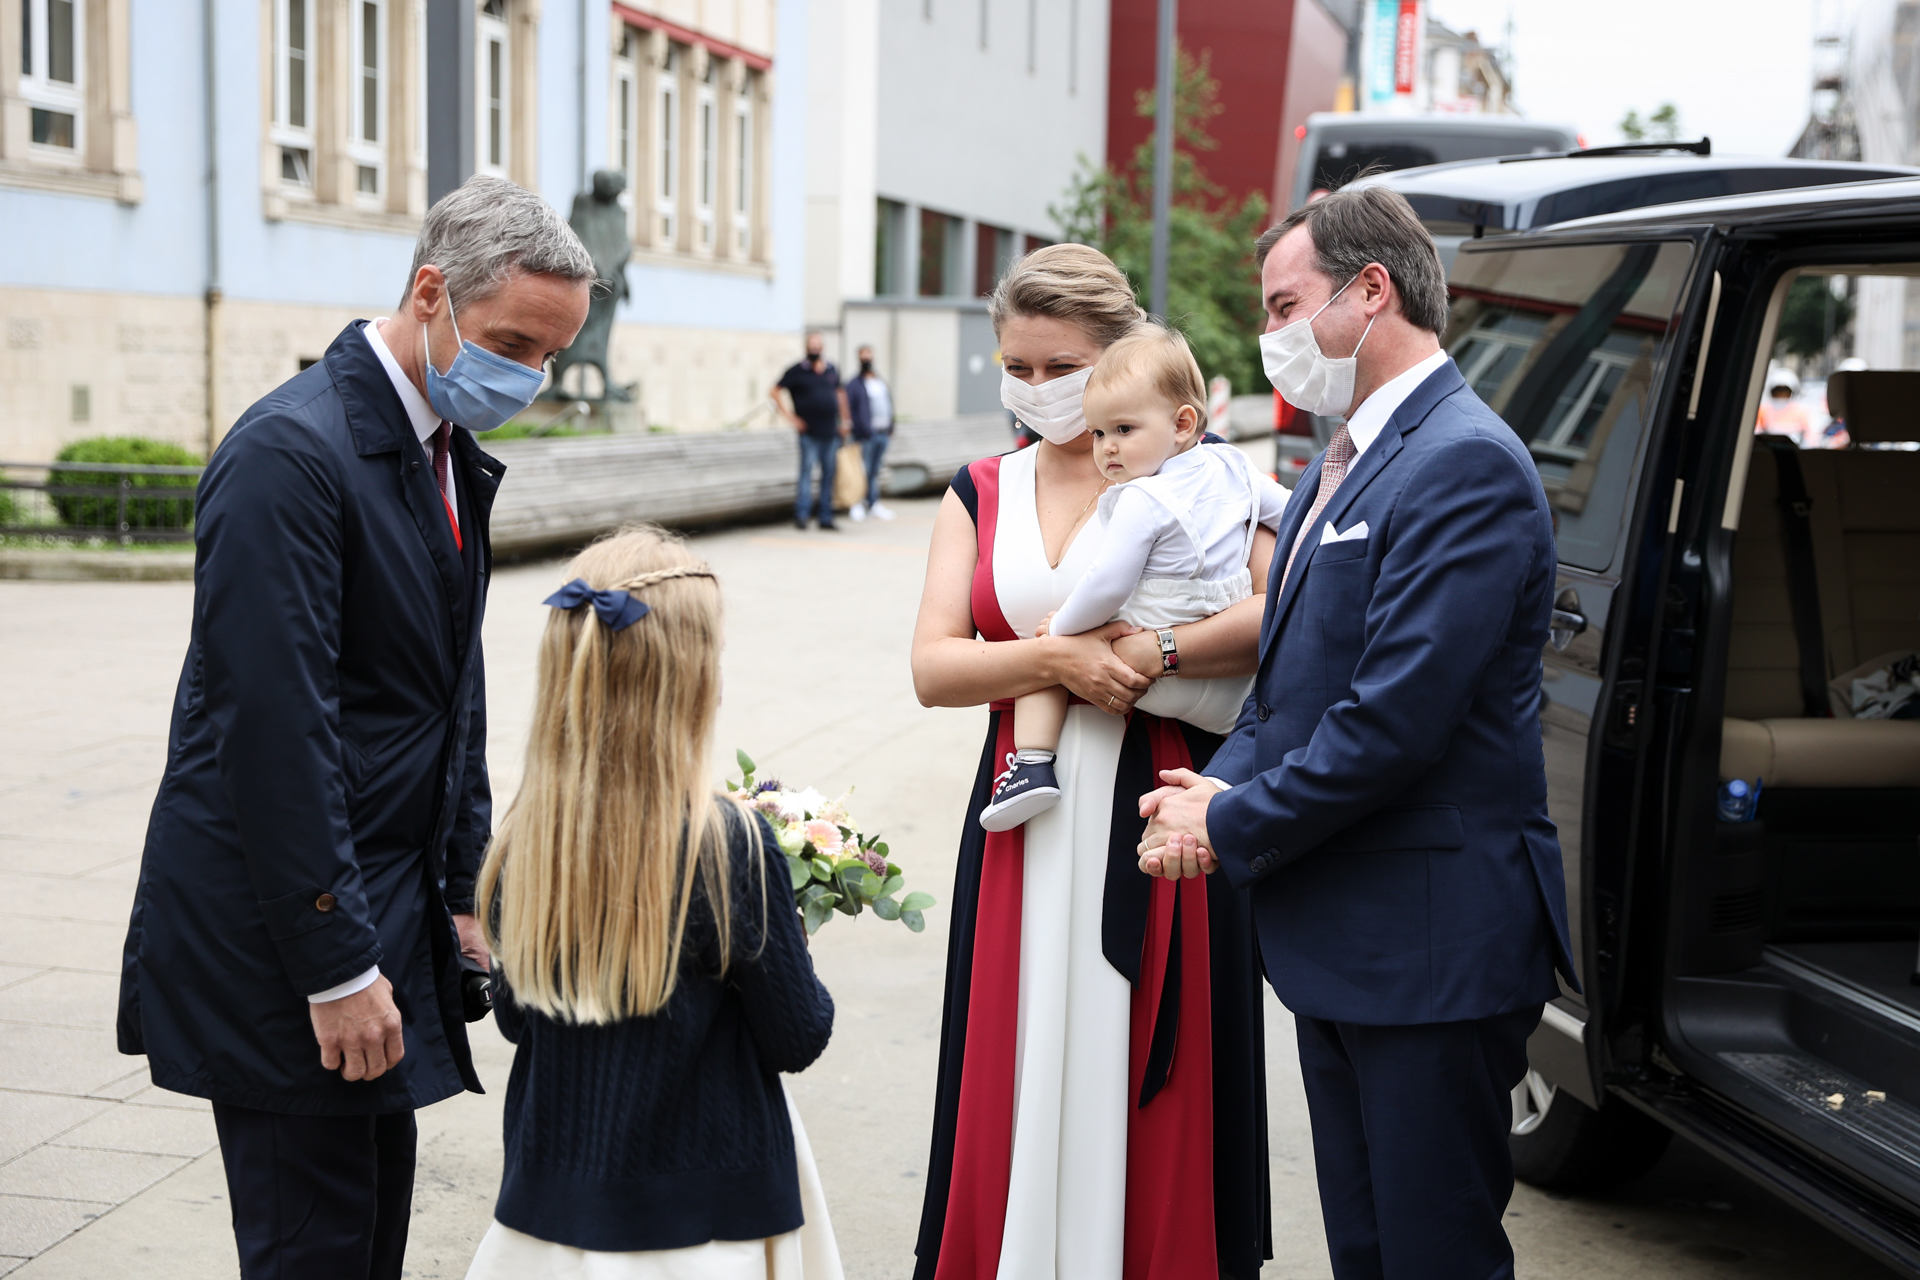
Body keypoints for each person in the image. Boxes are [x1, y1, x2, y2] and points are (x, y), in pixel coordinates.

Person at [115, 175, 595, 1279]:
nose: (530, 375)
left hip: (378, 902)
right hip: (287, 935)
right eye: (514, 341)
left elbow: (444, 696)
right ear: (431, 291)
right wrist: (336, 965)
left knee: (365, 1229)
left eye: (552, 355)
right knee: (314, 1246)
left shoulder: (432, 447)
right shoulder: (291, 454)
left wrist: (464, 890)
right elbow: (272, 729)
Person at [1138, 185, 1577, 1279]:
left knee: (1433, 1254)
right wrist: (1207, 788)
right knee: (1369, 1250)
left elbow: (1395, 719)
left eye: (1286, 305)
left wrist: (1234, 814)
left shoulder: (1464, 462)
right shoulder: (1345, 461)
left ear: (1371, 290)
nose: (1272, 334)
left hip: (1431, 944)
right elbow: (1296, 689)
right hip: (1349, 938)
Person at [909, 243, 1275, 1280]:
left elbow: (1281, 606)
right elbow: (935, 666)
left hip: (1164, 801)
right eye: (1015, 367)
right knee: (1016, 1050)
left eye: (1058, 364)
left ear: (1119, 355)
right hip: (1025, 810)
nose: (1036, 389)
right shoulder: (981, 488)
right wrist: (1056, 656)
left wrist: (1157, 649)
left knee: (1159, 1062)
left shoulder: (1200, 470)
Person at [464, 526, 839, 1279]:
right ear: (692, 677)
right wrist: (782, 933)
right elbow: (797, 1035)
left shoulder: (525, 843)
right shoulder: (728, 844)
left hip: (552, 1206)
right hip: (706, 1207)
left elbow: (515, 1017)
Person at [980, 324, 1288, 832]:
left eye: (1123, 430)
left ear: (1183, 423)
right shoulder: (1235, 465)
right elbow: (1294, 516)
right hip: (1229, 686)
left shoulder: (1143, 499)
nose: (1107, 449)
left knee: (1051, 654)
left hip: (1151, 663)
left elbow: (1107, 584)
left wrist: (1059, 634)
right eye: (1099, 433)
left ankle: (1032, 764)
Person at [773, 333, 851, 530]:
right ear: (806, 347)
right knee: (806, 475)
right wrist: (791, 418)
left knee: (829, 475)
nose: (815, 348)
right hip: (809, 434)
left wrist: (845, 421)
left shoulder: (831, 368)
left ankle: (826, 517)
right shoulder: (797, 371)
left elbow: (840, 393)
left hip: (830, 433)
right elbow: (774, 391)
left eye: (818, 345)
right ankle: (802, 516)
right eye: (811, 345)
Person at [845, 345, 896, 522]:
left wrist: (891, 426)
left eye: (869, 355)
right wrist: (860, 429)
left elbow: (888, 404)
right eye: (863, 356)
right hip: (866, 435)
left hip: (882, 433)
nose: (867, 359)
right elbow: (849, 409)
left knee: (874, 471)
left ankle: (873, 503)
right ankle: (856, 503)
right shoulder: (854, 384)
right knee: (862, 470)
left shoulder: (879, 381)